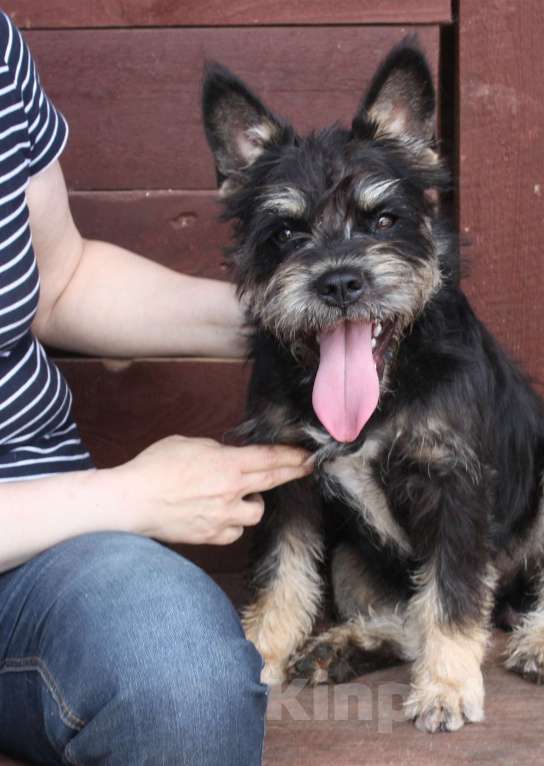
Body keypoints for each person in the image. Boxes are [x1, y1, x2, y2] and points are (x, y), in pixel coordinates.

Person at [0, 12, 311, 765]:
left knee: (183, 682)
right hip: (82, 505)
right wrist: (128, 497)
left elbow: (60, 278)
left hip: (34, 562)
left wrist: (298, 310)